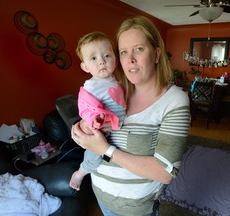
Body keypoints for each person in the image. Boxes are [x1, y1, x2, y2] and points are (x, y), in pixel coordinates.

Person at [71, 16, 190, 215]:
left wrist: (105, 150)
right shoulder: (117, 91)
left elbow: (165, 173)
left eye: (139, 49)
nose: (130, 59)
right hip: (102, 199)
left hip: (136, 210)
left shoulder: (174, 100)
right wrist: (83, 129)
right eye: (123, 52)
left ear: (157, 54)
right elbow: (91, 116)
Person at [69, 31, 126, 191]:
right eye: (93, 58)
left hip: (117, 127)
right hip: (100, 130)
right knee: (93, 157)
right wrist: (94, 118)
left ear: (115, 60)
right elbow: (85, 108)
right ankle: (80, 173)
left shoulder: (117, 81)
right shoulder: (91, 87)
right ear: (85, 66)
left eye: (107, 56)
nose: (101, 61)